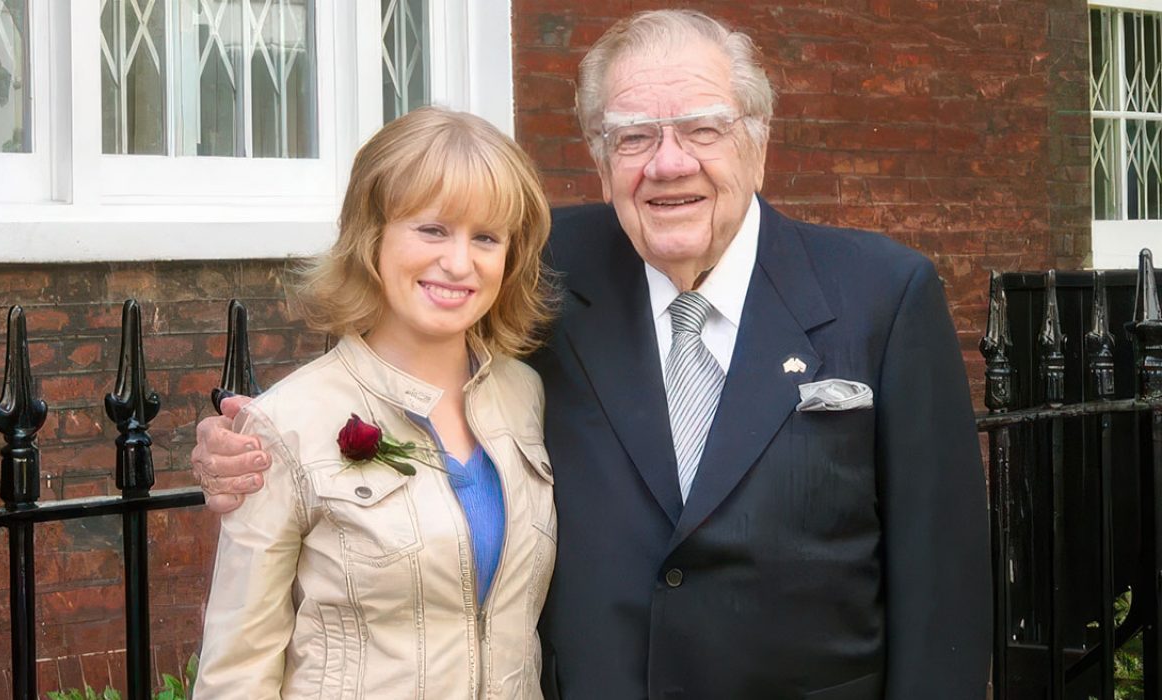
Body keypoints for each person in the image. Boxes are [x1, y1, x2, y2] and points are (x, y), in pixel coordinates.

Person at [192, 10, 991, 699]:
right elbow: (398, 344)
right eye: (634, 136)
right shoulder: (537, 273)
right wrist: (248, 449)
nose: (668, 163)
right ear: (599, 156)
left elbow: (941, 584)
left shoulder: (883, 294)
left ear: (757, 139)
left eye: (701, 129)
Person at [192, 106, 557, 698]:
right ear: (372, 238)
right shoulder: (287, 424)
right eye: (433, 229)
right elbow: (237, 669)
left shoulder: (527, 395)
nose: (460, 262)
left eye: (486, 237)